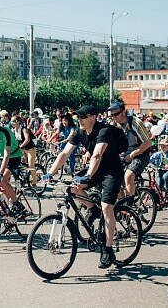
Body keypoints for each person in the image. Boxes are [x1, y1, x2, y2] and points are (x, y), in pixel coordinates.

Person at [44, 105, 124, 269]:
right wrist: (50, 173)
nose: (78, 120)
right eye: (77, 117)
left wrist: (88, 176)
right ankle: (92, 209)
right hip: (95, 170)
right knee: (72, 187)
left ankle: (108, 250)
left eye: (82, 117)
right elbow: (64, 153)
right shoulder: (80, 132)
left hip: (111, 172)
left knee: (107, 207)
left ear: (93, 117)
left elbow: (97, 154)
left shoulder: (104, 131)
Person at [109, 101, 152, 203]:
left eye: (116, 114)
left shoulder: (135, 123)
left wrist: (132, 155)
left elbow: (148, 142)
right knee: (111, 177)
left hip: (141, 154)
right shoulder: (113, 125)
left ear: (124, 112)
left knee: (128, 176)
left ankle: (129, 206)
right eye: (112, 115)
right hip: (124, 154)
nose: (114, 117)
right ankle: (121, 203)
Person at [12, 114, 38, 185]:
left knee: (30, 165)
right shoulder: (14, 130)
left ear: (17, 122)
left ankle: (34, 181)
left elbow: (27, 140)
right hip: (22, 149)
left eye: (13, 121)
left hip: (30, 148)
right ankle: (21, 179)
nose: (12, 123)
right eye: (11, 122)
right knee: (18, 164)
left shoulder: (24, 129)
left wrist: (20, 147)